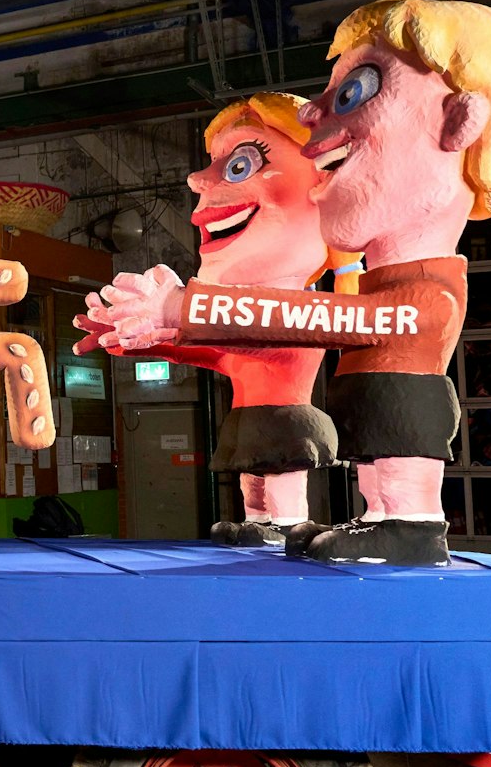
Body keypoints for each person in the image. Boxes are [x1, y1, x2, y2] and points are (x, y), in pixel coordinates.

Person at [88, 0, 491, 565]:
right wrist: (157, 328)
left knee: (396, 445)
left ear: (461, 120)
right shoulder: (384, 288)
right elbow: (265, 339)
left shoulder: (428, 292)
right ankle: (367, 518)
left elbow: (322, 320)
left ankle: (409, 524)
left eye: (356, 89)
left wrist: (184, 308)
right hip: (368, 400)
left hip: (400, 403)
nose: (314, 113)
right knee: (371, 445)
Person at [76, 93, 347, 546]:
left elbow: (245, 334)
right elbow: (220, 352)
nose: (198, 180)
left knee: (280, 478)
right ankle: (260, 527)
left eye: (240, 164)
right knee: (252, 481)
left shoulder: (302, 309)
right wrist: (144, 339)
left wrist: (174, 313)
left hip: (286, 416)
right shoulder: (246, 312)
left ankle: (285, 527)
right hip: (249, 418)